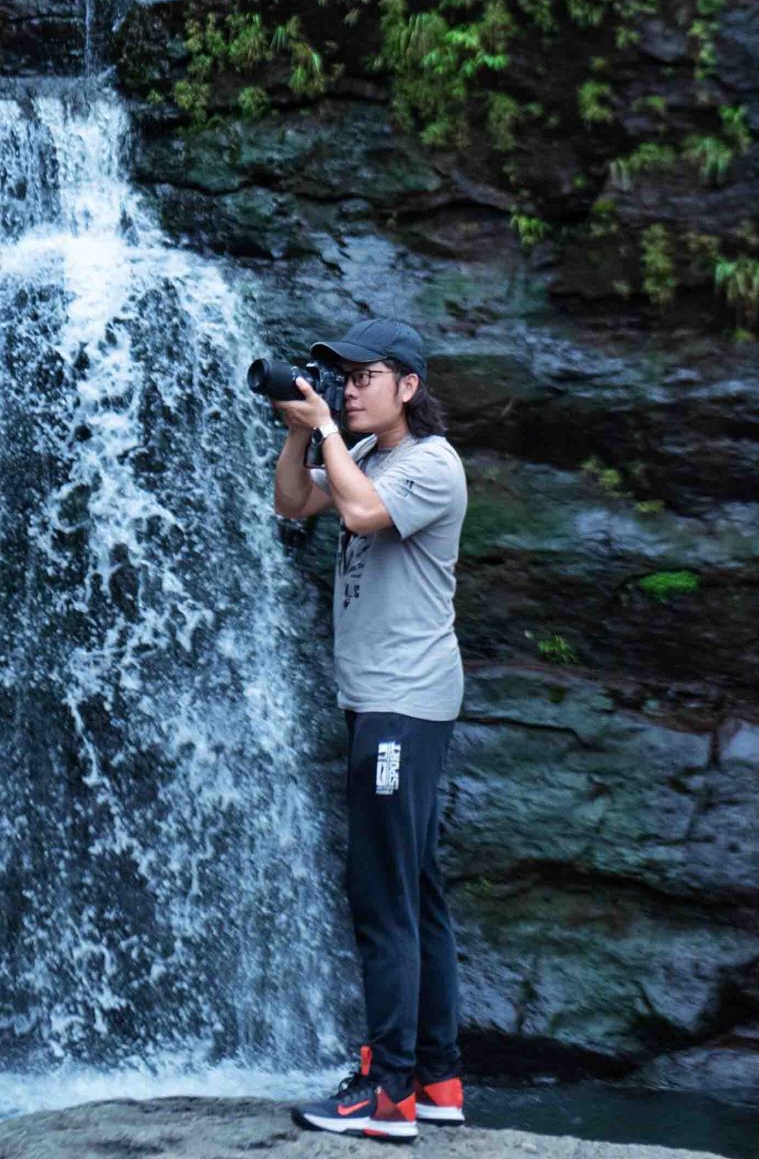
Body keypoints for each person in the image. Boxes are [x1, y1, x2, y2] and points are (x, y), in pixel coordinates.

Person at [272, 316, 468, 1142]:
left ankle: (387, 1094)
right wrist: (298, 429)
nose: (349, 391)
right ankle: (437, 1078)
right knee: (415, 892)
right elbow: (294, 503)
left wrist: (325, 431)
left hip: (402, 704)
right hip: (382, 702)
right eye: (341, 378)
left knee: (381, 897)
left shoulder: (430, 463)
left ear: (408, 387)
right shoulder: (370, 454)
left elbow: (357, 514)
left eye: (364, 377)